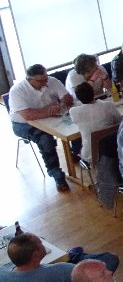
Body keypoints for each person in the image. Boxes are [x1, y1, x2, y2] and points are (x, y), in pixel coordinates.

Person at [7, 63, 75, 191]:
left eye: (46, 78)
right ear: (30, 80)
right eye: (41, 81)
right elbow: (28, 115)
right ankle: (56, 174)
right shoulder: (17, 90)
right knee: (45, 138)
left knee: (77, 122)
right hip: (24, 124)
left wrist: (61, 105)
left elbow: (68, 98)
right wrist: (50, 111)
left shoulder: (51, 81)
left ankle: (76, 153)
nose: (45, 82)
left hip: (50, 118)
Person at [69, 82, 122, 168]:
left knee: (77, 144)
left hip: (91, 155)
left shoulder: (74, 112)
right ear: (93, 92)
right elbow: (120, 122)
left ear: (78, 98)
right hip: (114, 148)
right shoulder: (108, 105)